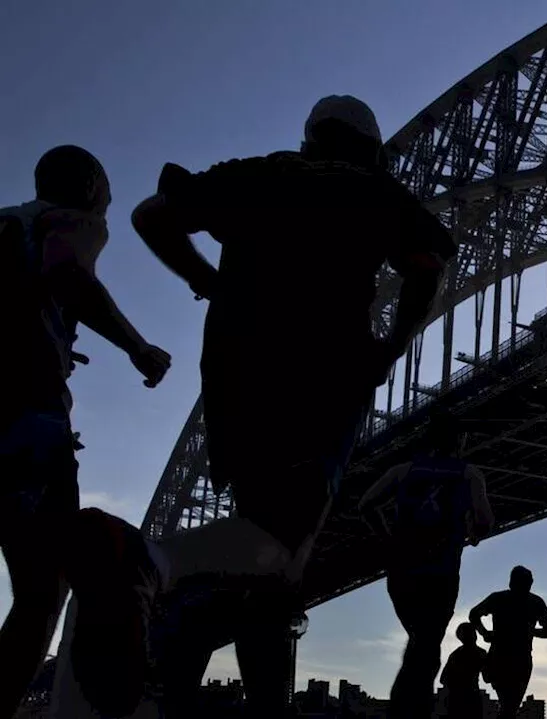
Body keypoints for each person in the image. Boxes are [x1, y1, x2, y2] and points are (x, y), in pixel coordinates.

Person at [65, 94, 457, 718]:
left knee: (266, 560)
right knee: (282, 549)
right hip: (325, 377)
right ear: (373, 152)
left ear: (309, 141)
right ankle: (150, 565)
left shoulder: (259, 173)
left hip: (237, 377)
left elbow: (151, 218)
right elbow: (427, 266)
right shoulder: (376, 193)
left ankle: (191, 655)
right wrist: (390, 348)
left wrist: (209, 281)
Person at [0, 145, 171, 719]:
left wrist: (52, 336)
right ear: (93, 186)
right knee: (42, 593)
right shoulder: (70, 219)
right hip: (27, 424)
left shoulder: (7, 221)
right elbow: (66, 272)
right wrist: (136, 346)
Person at [358, 410, 494, 719]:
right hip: (441, 574)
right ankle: (405, 711)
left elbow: (365, 505)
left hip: (401, 573)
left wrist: (388, 537)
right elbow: (486, 521)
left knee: (423, 646)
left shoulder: (402, 471)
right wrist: (472, 533)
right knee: (426, 648)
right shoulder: (469, 474)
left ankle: (408, 709)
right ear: (460, 440)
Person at [469, 566, 547, 719]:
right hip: (503, 657)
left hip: (515, 658)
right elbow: (474, 614)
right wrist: (484, 633)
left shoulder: (531, 602)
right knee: (509, 706)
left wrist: (531, 631)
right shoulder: (505, 599)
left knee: (509, 706)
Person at [439, 623, 489, 719]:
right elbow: (487, 677)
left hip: (456, 699)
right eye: (471, 633)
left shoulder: (455, 654)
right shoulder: (480, 653)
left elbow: (443, 679)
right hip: (469, 698)